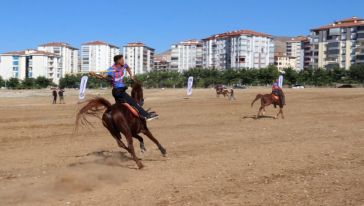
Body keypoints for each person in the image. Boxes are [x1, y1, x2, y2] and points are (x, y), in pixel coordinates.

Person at [90, 55, 158, 121]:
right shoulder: (111, 70)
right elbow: (102, 77)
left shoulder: (124, 65)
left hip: (120, 90)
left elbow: (128, 67)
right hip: (118, 91)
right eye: (122, 60)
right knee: (133, 102)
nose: (123, 61)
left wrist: (131, 75)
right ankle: (146, 115)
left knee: (121, 107)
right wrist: (94, 74)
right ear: (118, 61)